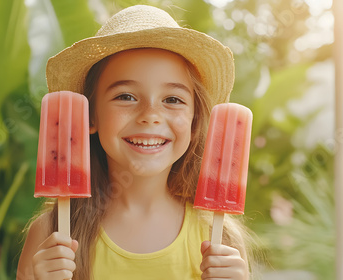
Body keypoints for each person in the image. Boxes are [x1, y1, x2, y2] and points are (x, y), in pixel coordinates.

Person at [17, 5, 253, 280]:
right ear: (89, 116)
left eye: (172, 100)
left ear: (194, 120)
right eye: (126, 96)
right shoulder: (52, 233)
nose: (150, 116)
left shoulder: (220, 240)